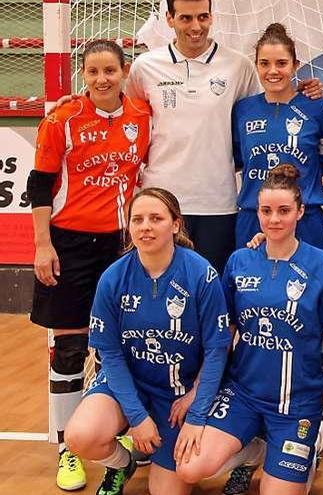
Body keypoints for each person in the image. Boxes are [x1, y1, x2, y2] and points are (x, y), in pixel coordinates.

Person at [175, 164, 323, 495]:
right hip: (243, 394)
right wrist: (199, 390)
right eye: (266, 211)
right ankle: (254, 452)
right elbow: (222, 336)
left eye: (284, 211)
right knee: (189, 468)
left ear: (300, 211)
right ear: (257, 212)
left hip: (295, 404)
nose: (274, 219)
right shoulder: (240, 261)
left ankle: (305, 450)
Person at [26, 39, 151, 491]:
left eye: (110, 71)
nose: (102, 79)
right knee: (72, 348)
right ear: (83, 74)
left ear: (124, 72)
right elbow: (39, 186)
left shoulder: (141, 116)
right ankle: (67, 450)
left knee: (125, 344)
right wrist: (43, 246)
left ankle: (118, 430)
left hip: (121, 246)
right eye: (93, 71)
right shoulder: (62, 119)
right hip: (69, 245)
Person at [125, 1, 321, 272]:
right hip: (161, 198)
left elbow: (265, 108)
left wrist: (305, 91)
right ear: (169, 19)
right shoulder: (144, 67)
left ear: (212, 17)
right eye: (186, 18)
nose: (196, 26)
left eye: (203, 17)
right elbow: (124, 115)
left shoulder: (238, 66)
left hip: (218, 202)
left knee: (214, 291)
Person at [64, 188, 231, 495]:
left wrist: (196, 411)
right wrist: (137, 416)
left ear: (175, 224)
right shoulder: (113, 278)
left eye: (156, 218)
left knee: (167, 490)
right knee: (80, 436)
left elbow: (218, 349)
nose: (146, 227)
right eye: (138, 219)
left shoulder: (200, 274)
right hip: (129, 384)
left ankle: (168, 451)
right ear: (129, 226)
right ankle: (121, 463)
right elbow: (110, 354)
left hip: (177, 397)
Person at [232, 23, 323, 251]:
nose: (273, 71)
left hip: (305, 218)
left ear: (295, 65)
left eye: (281, 63)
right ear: (256, 65)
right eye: (264, 63)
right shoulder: (242, 110)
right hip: (253, 217)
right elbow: (239, 161)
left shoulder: (317, 107)